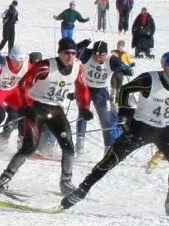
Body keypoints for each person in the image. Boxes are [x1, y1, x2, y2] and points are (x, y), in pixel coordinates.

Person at [61, 51, 169, 214]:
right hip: (141, 129)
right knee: (111, 160)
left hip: (164, 131)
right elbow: (125, 89)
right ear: (164, 67)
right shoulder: (150, 79)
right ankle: (82, 189)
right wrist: (124, 114)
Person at [0, 37, 89, 196]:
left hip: (56, 109)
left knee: (68, 146)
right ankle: (4, 179)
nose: (70, 57)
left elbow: (83, 88)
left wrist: (85, 108)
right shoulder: (45, 67)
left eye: (73, 53)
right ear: (59, 53)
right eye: (66, 53)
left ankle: (66, 182)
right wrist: (26, 106)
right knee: (29, 147)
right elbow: (23, 84)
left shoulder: (78, 68)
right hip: (36, 108)